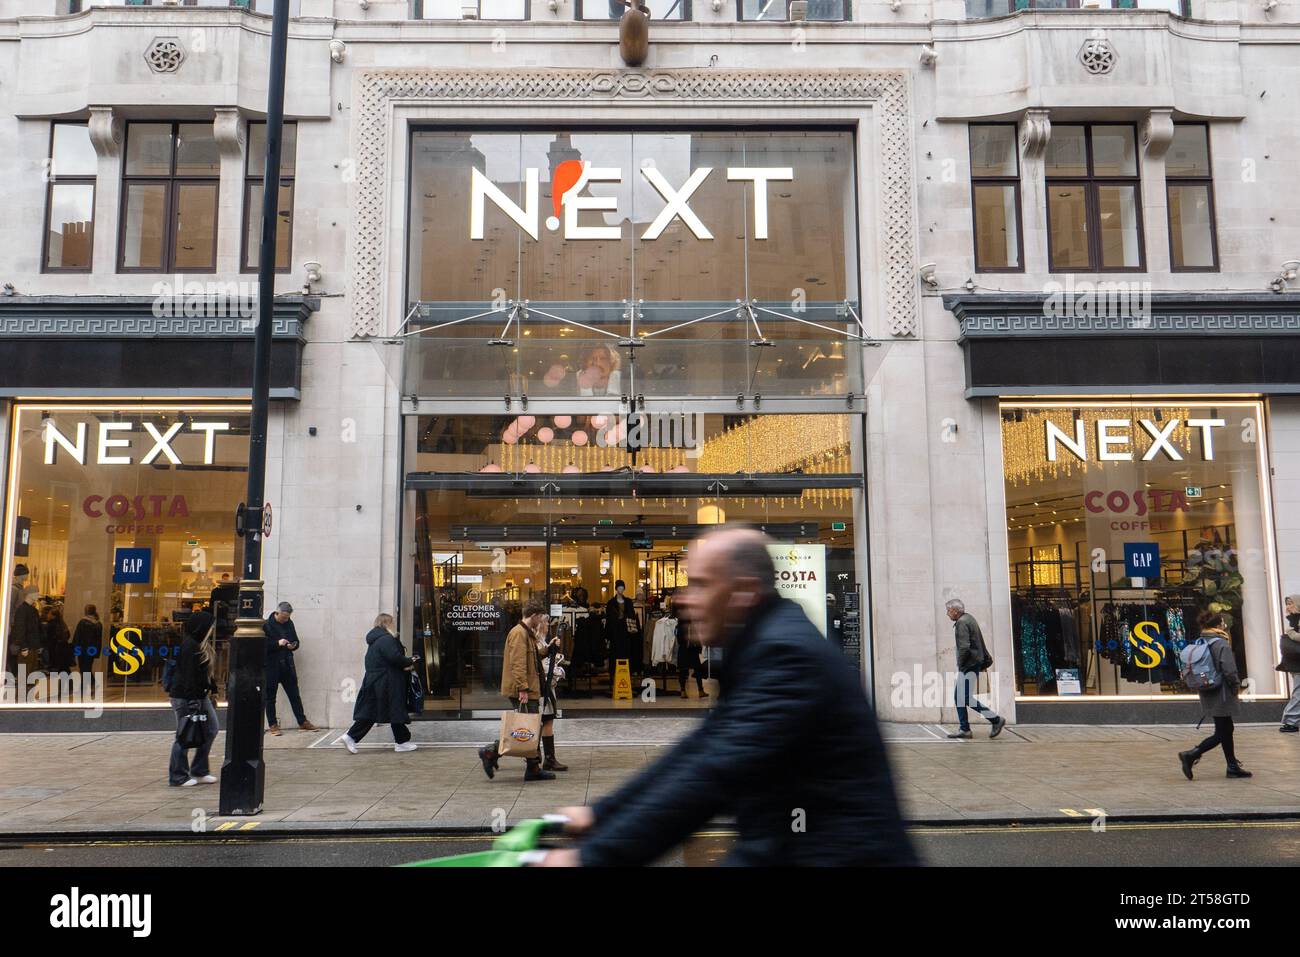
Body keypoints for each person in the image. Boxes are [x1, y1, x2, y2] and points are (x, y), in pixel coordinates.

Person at [541, 527, 916, 867]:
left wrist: (593, 857)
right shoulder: (759, 646)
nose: (686, 600)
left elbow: (712, 772)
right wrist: (602, 814)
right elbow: (697, 750)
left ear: (744, 592)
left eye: (702, 585)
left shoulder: (787, 656)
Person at [477, 599, 556, 782]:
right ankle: (491, 752)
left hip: (529, 688)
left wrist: (548, 649)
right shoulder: (519, 634)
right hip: (524, 689)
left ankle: (532, 767)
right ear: (534, 615)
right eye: (540, 619)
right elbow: (518, 663)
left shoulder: (526, 633)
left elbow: (532, 658)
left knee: (529, 727)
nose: (540, 623)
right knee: (526, 728)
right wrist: (523, 688)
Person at [1179, 610, 1251, 779]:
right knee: (1223, 731)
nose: (1224, 626)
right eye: (1223, 623)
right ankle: (1191, 754)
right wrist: (1235, 685)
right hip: (1222, 691)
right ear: (1219, 625)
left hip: (1207, 689)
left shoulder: (1200, 640)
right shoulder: (1220, 643)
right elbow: (1229, 668)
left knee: (1226, 728)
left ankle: (1232, 766)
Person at [340, 614, 419, 754]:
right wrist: (409, 660)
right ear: (387, 623)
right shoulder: (386, 639)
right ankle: (351, 736)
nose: (394, 624)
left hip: (377, 680)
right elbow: (395, 658)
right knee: (388, 709)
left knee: (381, 711)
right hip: (388, 682)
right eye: (392, 622)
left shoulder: (375, 640)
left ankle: (401, 741)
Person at [168, 611, 220, 787]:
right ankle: (178, 775)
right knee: (184, 734)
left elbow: (205, 673)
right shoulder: (190, 646)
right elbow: (188, 676)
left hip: (199, 695)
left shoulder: (201, 645)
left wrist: (213, 690)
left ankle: (199, 769)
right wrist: (192, 701)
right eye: (210, 626)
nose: (213, 629)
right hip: (185, 697)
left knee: (211, 729)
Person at [944, 598, 1005, 739]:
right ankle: (965, 729)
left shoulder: (962, 623)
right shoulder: (969, 618)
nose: (947, 614)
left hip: (969, 665)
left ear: (955, 610)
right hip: (973, 663)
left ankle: (995, 719)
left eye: (948, 610)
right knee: (959, 696)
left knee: (964, 697)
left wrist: (961, 664)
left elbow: (964, 647)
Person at [263, 601, 320, 735]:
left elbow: (296, 640)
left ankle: (302, 721)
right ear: (277, 613)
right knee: (270, 697)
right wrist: (278, 643)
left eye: (287, 617)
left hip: (287, 665)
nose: (285, 620)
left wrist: (293, 645)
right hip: (272, 666)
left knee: (294, 694)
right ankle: (273, 724)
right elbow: (263, 646)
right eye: (283, 617)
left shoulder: (289, 623)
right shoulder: (266, 625)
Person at [537, 621, 568, 772]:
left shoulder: (541, 640)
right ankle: (494, 751)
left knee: (546, 720)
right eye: (546, 623)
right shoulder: (535, 641)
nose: (549, 625)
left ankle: (546, 758)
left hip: (545, 687)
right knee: (538, 722)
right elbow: (540, 664)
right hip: (540, 687)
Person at [606, 579, 641, 676]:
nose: (621, 590)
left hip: (626, 631)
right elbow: (609, 619)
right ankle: (614, 674)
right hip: (615, 632)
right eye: (619, 588)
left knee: (626, 652)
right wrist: (608, 635)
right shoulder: (611, 603)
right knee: (615, 653)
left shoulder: (628, 602)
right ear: (616, 589)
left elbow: (632, 616)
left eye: (622, 588)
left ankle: (626, 673)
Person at [1278, 594, 1300, 733]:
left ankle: (1290, 721)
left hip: (1297, 661)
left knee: (1298, 692)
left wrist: (1290, 631)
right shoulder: (1293, 620)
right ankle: (1290, 721)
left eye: (1291, 603)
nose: (1288, 606)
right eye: (1287, 603)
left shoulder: (1295, 621)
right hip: (1295, 662)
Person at [675, 615, 708, 699]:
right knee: (697, 670)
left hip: (684, 650)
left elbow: (678, 639)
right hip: (692, 650)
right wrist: (699, 649)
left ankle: (683, 691)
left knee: (684, 671)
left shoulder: (679, 626)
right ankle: (700, 691)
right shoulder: (692, 626)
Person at [72, 605, 103, 677]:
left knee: (83, 667)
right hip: (92, 649)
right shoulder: (98, 623)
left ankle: (86, 684)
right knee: (88, 666)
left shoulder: (83, 622)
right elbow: (98, 640)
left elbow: (77, 637)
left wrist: (74, 648)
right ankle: (90, 682)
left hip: (83, 649)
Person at [42, 605, 73, 675]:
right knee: (64, 667)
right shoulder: (62, 623)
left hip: (54, 648)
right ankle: (68, 682)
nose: (48, 615)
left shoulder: (51, 624)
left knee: (55, 667)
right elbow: (68, 635)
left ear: (53, 615)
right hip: (63, 647)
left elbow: (48, 638)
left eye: (49, 613)